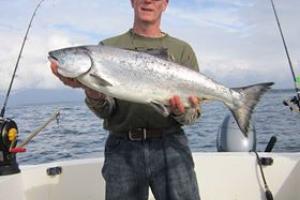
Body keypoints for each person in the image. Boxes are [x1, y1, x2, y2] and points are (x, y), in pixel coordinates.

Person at [50, 0, 201, 199]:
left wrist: (180, 111)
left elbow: (193, 116)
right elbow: (106, 111)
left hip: (171, 145)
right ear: (132, 1)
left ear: (165, 4)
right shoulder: (107, 47)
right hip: (122, 149)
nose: (148, 0)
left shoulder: (182, 50)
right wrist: (93, 92)